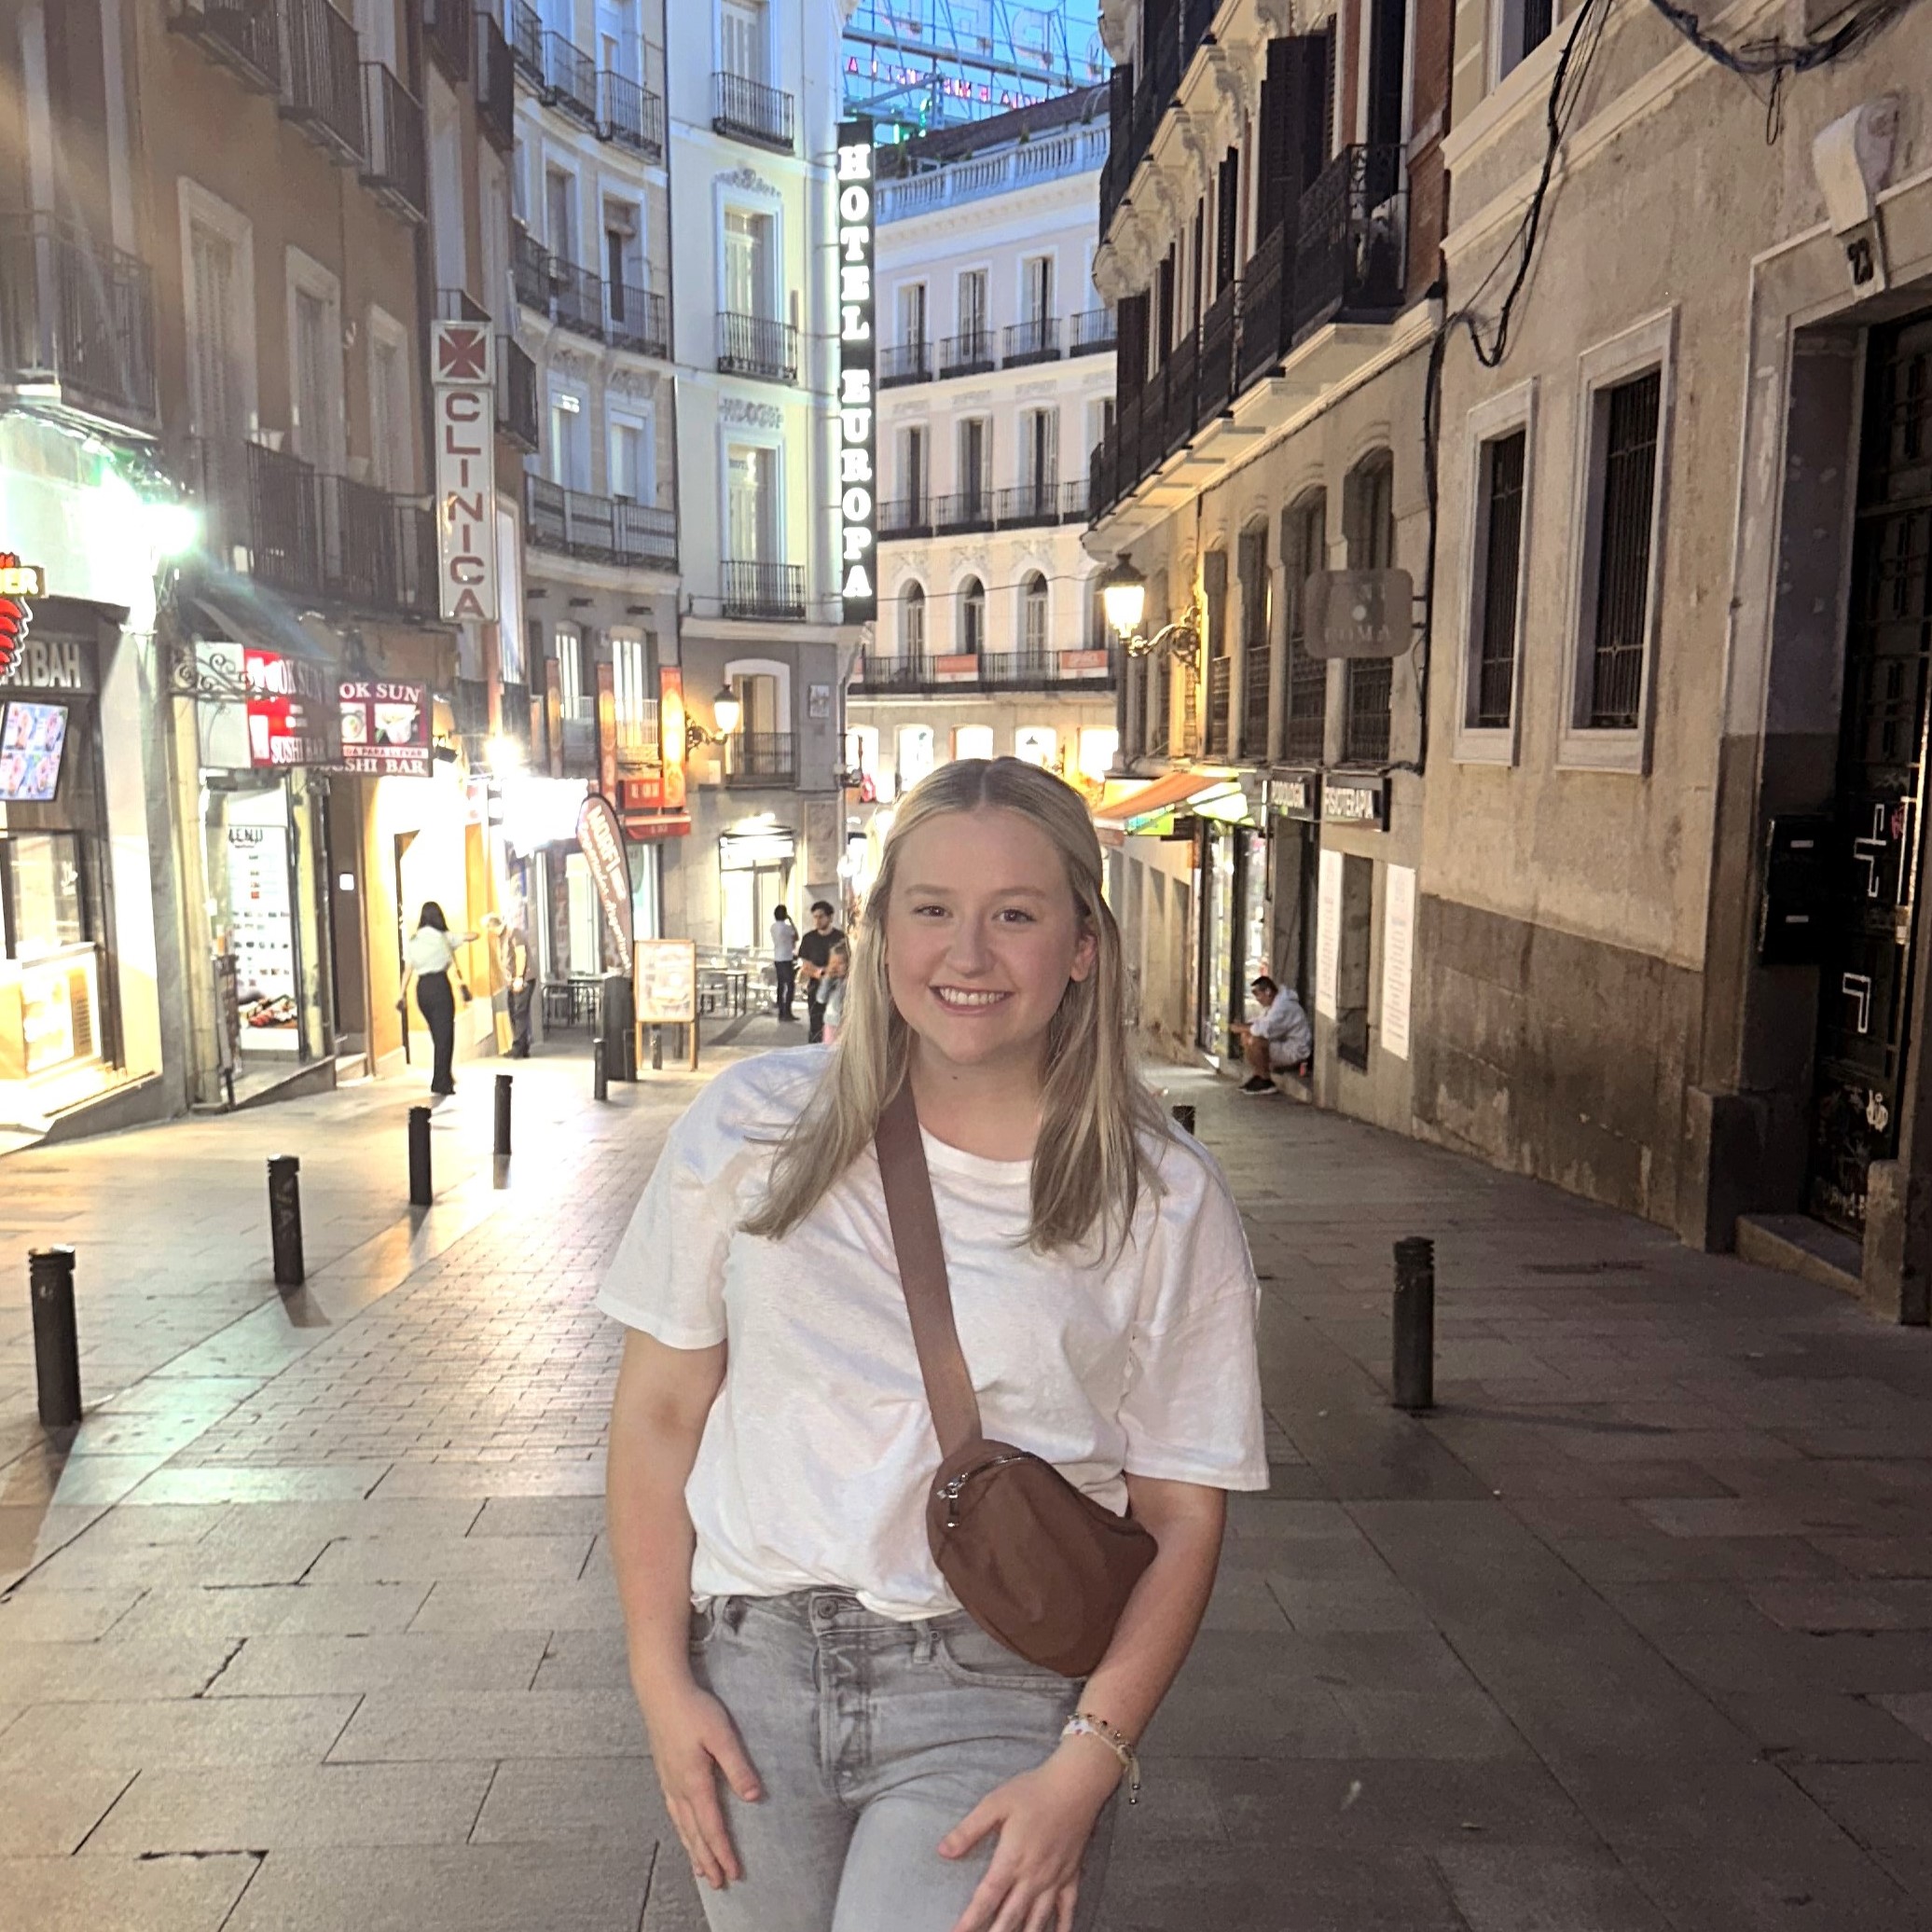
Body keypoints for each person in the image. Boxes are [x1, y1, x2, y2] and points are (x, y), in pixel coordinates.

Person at [599, 757, 1267, 1932]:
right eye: (932, 909)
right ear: (879, 929)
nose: (966, 954)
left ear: (1080, 946)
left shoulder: (1158, 1193)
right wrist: (662, 1678)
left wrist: (1089, 1759)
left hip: (996, 1687)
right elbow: (659, 1414)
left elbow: (1181, 1513)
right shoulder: (753, 1123)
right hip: (751, 1673)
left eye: (1014, 914)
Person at [399, 901, 476, 1098]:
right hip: (440, 987)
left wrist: (401, 994)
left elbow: (408, 970)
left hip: (422, 989)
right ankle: (441, 1081)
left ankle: (443, 1075)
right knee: (445, 1036)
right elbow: (472, 936)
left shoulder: (413, 941)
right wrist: (469, 934)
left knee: (437, 1036)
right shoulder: (444, 937)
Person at [1235, 973, 1312, 1094]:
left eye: (1258, 994)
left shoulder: (1284, 1006)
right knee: (1247, 1036)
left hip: (1295, 1051)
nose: (1257, 999)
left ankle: (1266, 1081)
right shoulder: (1272, 1005)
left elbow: (1266, 1029)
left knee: (1255, 1041)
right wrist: (1245, 1027)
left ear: (1268, 992)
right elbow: (1260, 1022)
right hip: (1283, 1045)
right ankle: (1258, 1075)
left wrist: (1243, 1028)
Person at [485, 911, 534, 1058]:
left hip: (524, 978)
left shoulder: (514, 932)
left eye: (489, 929)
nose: (489, 932)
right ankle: (523, 1048)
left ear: (492, 926)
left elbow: (521, 954)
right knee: (514, 1011)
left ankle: (518, 1048)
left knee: (519, 1013)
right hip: (512, 981)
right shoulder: (501, 937)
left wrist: (519, 977)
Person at [795, 900, 845, 1045]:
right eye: (815, 917)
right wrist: (822, 973)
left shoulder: (840, 938)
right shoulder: (809, 939)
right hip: (816, 987)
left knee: (836, 1025)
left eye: (821, 916)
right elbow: (805, 965)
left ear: (830, 918)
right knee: (816, 1024)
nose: (817, 920)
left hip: (838, 988)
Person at [817, 938, 849, 1046]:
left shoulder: (850, 982)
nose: (835, 967)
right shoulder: (831, 981)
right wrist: (827, 979)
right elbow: (821, 998)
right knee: (828, 1053)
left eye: (840, 963)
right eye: (832, 963)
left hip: (846, 1025)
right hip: (830, 1023)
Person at [770, 905, 800, 1023]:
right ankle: (787, 1011)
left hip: (777, 958)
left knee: (781, 985)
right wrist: (791, 920)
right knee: (790, 986)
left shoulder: (773, 927)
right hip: (786, 958)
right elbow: (796, 936)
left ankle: (781, 1012)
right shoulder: (787, 928)